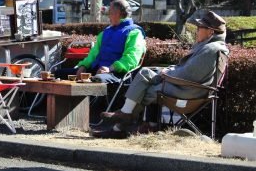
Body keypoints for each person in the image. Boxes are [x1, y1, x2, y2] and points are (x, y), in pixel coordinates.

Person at [93, 11, 229, 139]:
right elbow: (188, 71)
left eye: (200, 27)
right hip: (186, 87)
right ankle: (128, 120)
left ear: (211, 32)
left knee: (146, 89)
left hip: (189, 91)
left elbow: (189, 74)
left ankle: (121, 124)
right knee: (146, 74)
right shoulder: (209, 47)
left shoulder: (211, 49)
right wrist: (168, 71)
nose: (197, 30)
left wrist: (167, 73)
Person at [61, 0, 145, 84]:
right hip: (97, 71)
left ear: (118, 13)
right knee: (58, 73)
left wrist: (110, 68)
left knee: (97, 79)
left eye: (110, 13)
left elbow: (131, 59)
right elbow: (93, 54)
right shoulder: (106, 32)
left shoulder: (135, 32)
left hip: (117, 74)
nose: (108, 16)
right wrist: (83, 66)